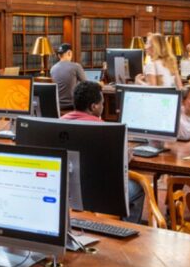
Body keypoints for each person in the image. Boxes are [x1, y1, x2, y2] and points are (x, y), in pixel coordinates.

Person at [62, 81, 145, 224]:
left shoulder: (60, 122)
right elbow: (114, 165)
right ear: (94, 106)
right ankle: (126, 228)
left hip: (67, 191)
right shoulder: (103, 129)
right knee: (138, 188)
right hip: (95, 193)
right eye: (102, 103)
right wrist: (126, 157)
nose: (103, 106)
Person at [50, 43, 87, 113]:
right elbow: (86, 85)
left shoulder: (52, 68)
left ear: (58, 55)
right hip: (72, 106)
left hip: (57, 105)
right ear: (69, 53)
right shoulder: (76, 66)